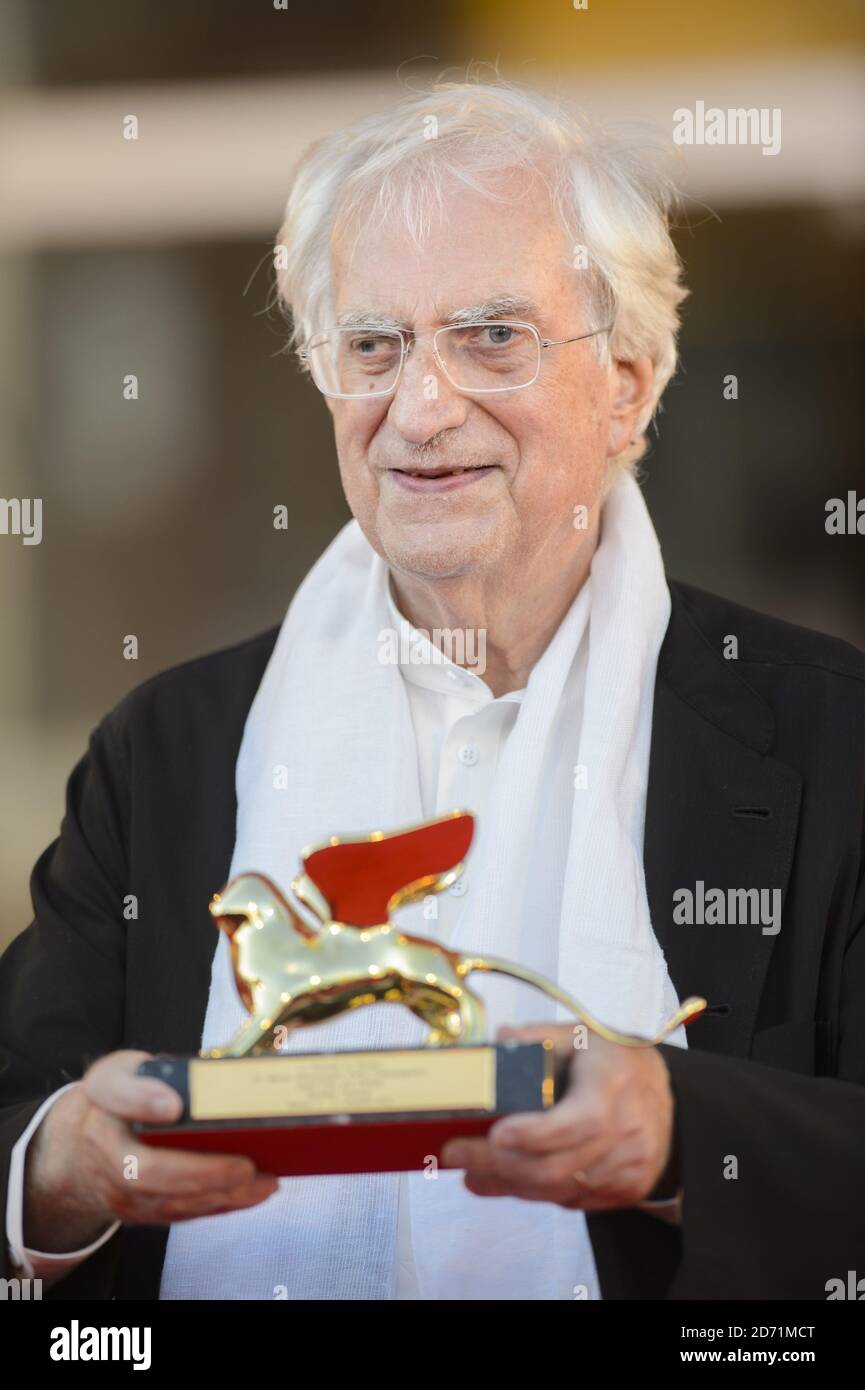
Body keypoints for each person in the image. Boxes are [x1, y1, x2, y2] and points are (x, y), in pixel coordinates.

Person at [2, 78, 864, 1301]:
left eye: (490, 336)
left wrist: (687, 1140)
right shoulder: (170, 748)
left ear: (626, 376)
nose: (419, 407)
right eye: (373, 345)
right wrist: (65, 1172)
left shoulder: (834, 738)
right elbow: (19, 1112)